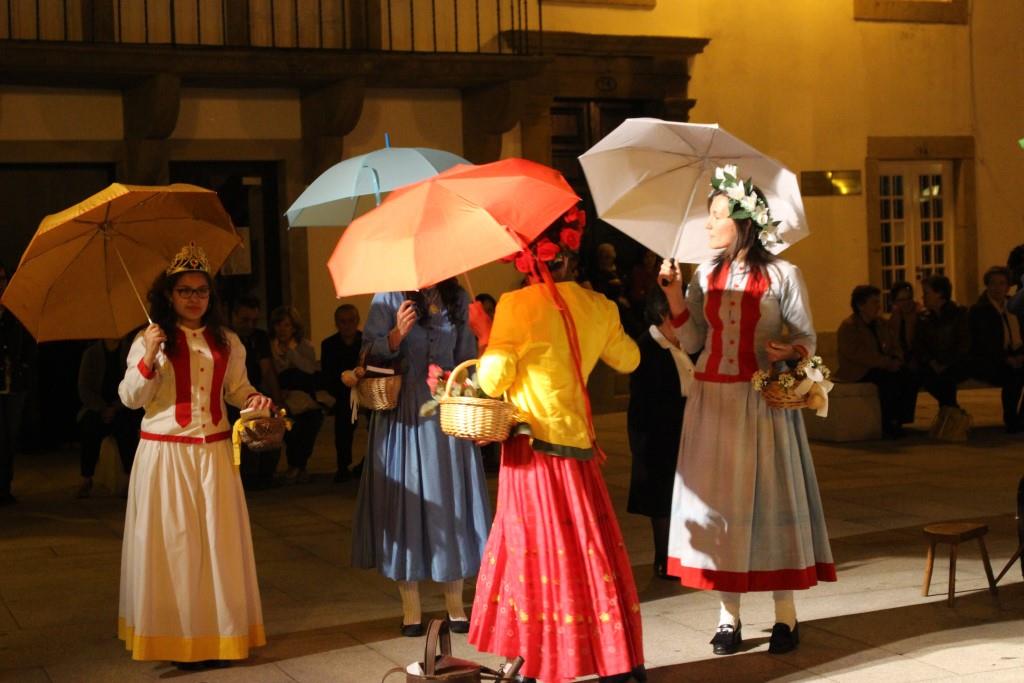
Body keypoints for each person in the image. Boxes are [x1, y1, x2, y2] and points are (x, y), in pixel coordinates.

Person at [658, 166, 835, 656]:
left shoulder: (783, 274)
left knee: (770, 502)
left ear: (743, 222)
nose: (709, 225)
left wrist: (788, 351)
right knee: (720, 509)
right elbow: (693, 340)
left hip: (762, 402)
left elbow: (808, 339)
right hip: (712, 401)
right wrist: (674, 293)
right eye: (709, 215)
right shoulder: (705, 274)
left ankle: (785, 617)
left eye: (717, 216)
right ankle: (727, 617)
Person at [468, 212, 646, 683]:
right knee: (590, 551)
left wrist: (487, 336)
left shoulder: (517, 305)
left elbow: (491, 379)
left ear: (528, 260)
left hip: (533, 451)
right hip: (579, 447)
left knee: (539, 553)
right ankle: (618, 660)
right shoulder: (597, 305)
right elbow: (629, 359)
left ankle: (542, 659)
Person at [117, 242, 272, 669]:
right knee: (176, 548)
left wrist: (256, 399)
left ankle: (219, 639)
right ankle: (176, 642)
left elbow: (237, 389)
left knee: (218, 547)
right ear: (169, 294)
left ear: (210, 295)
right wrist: (149, 355)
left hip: (216, 455)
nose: (193, 297)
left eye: (201, 290)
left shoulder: (227, 341)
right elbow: (130, 398)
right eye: (184, 290)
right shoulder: (150, 340)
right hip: (165, 456)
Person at [351, 279, 491, 637]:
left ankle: (455, 603)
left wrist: (469, 386)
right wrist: (396, 334)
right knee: (404, 505)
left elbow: (467, 362)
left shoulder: (458, 297)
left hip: (445, 412)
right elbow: (367, 353)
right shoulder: (388, 294)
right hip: (402, 413)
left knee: (451, 501)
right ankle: (410, 607)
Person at [627, 287, 690, 580]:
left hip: (684, 430)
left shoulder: (685, 343)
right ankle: (664, 559)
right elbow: (646, 400)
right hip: (659, 433)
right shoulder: (647, 347)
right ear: (665, 314)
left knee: (683, 497)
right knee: (662, 499)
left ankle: (682, 555)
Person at [836, 285, 913, 438]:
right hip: (858, 370)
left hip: (881, 365)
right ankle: (887, 422)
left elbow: (894, 343)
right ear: (860, 305)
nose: (878, 306)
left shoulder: (881, 324)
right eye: (874, 302)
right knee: (887, 380)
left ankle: (900, 419)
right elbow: (858, 354)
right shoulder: (849, 327)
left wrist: (897, 358)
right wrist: (886, 363)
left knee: (908, 375)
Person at [76, 337, 143, 497]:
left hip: (123, 406)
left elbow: (135, 384)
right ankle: (86, 478)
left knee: (127, 428)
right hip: (97, 407)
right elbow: (84, 387)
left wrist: (116, 407)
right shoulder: (91, 354)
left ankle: (129, 479)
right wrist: (102, 408)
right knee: (89, 427)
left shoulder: (130, 351)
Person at [229, 296, 283, 490]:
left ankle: (263, 475)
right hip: (228, 395)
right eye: (245, 320)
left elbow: (267, 369)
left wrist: (276, 399)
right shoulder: (225, 336)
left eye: (254, 320)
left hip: (253, 392)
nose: (249, 325)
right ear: (233, 316)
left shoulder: (258, 337)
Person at [270, 305, 324, 484]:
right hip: (281, 397)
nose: (282, 329)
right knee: (289, 424)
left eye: (286, 325)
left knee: (310, 422)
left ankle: (299, 465)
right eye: (279, 325)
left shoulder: (304, 346)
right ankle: (296, 466)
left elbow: (310, 369)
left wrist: (292, 353)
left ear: (294, 327)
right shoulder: (271, 347)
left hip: (304, 397)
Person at [969, 266, 1024, 432]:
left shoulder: (1012, 307)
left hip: (1014, 355)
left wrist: (1020, 356)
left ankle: (1021, 419)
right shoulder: (979, 310)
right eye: (993, 283)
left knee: (1017, 371)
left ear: (1008, 286)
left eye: (1002, 283)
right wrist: (1006, 358)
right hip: (990, 360)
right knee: (1013, 375)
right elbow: (982, 343)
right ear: (987, 285)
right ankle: (1011, 419)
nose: (997, 288)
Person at [0, 262, 34, 507]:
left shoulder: (15, 313)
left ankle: (5, 487)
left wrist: (22, 367)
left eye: (3, 279)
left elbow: (28, 345)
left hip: (14, 385)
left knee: (9, 437)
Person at [914, 274, 970, 410]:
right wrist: (932, 362)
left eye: (926, 293)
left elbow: (964, 343)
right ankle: (952, 411)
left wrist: (946, 363)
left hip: (956, 362)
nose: (923, 297)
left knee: (946, 378)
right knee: (923, 375)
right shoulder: (924, 318)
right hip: (933, 363)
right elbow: (920, 344)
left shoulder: (959, 314)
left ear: (939, 294)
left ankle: (949, 413)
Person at [320, 303, 363, 482]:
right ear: (336, 323)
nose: (347, 325)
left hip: (366, 390)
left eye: (351, 321)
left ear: (357, 321)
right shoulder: (329, 345)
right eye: (342, 322)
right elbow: (328, 375)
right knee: (343, 420)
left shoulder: (365, 341)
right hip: (342, 392)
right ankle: (343, 465)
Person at [886, 280, 921, 424]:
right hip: (902, 358)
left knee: (910, 376)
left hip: (916, 358)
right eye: (901, 300)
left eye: (908, 299)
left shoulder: (919, 314)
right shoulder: (895, 317)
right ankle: (895, 417)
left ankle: (903, 417)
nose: (905, 303)